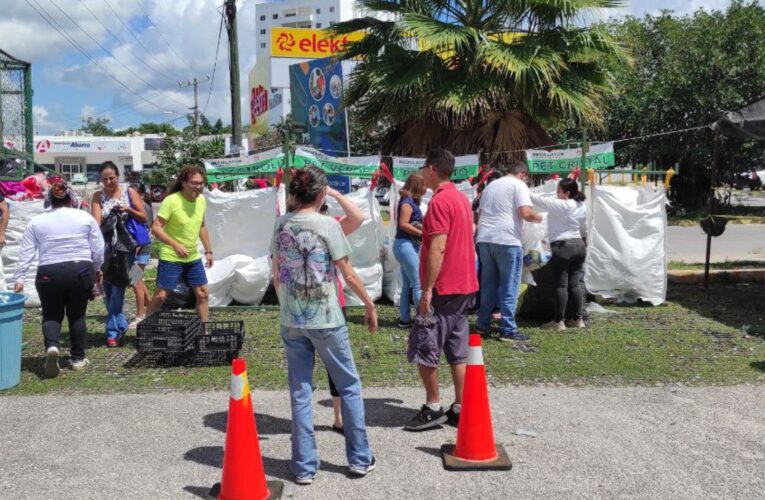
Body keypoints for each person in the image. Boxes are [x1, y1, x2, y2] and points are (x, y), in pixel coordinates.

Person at [271, 166, 377, 484]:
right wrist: (369, 304)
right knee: (349, 386)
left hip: (292, 319)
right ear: (320, 194)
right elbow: (349, 273)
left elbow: (277, 271)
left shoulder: (280, 225)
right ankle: (359, 459)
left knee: (300, 392)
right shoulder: (327, 225)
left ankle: (304, 467)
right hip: (326, 318)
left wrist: (286, 305)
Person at [404, 149, 478, 432]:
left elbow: (438, 246)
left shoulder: (439, 202)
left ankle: (433, 405)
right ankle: (460, 405)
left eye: (424, 168)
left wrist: (427, 289)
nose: (422, 173)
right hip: (465, 284)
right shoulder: (461, 199)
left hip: (445, 286)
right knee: (457, 351)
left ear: (432, 169)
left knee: (426, 344)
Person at [13, 183, 105, 377]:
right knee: (77, 315)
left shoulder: (36, 221)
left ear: (49, 200)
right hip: (80, 269)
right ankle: (78, 358)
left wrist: (19, 278)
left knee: (51, 314)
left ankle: (52, 348)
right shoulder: (84, 217)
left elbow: (27, 252)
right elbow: (98, 247)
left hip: (49, 271)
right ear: (71, 199)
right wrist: (97, 268)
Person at [475, 160, 542, 342]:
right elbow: (526, 213)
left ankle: (482, 325)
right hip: (507, 240)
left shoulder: (491, 186)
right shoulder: (518, 185)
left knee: (488, 285)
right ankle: (508, 329)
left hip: (485, 239)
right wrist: (541, 218)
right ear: (523, 175)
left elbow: (480, 212)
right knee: (509, 285)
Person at [318, 190, 364, 435]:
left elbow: (357, 217)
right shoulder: (292, 225)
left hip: (330, 305)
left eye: (325, 208)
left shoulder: (331, 226)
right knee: (321, 366)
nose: (323, 213)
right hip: (318, 308)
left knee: (335, 364)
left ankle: (339, 418)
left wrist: (334, 193)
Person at [145, 165, 213, 321]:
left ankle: (205, 332)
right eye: (194, 183)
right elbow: (155, 228)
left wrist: (209, 251)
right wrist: (174, 244)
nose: (198, 187)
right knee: (162, 295)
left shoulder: (201, 200)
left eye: (201, 183)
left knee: (203, 293)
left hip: (192, 255)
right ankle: (146, 325)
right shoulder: (172, 201)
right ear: (184, 183)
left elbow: (201, 225)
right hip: (171, 256)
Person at [91, 162, 147, 347]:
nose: (108, 182)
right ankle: (120, 324)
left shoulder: (129, 192)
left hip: (128, 247)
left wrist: (127, 210)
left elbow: (143, 216)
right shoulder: (98, 196)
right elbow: (96, 223)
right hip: (107, 248)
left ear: (118, 176)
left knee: (123, 285)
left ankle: (113, 332)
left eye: (112, 178)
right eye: (105, 179)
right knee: (107, 287)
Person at [530, 178, 588, 330]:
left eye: (558, 190)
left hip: (563, 247)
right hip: (579, 245)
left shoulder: (562, 204)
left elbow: (537, 199)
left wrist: (519, 187)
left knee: (561, 285)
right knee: (574, 284)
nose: (556, 193)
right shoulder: (581, 205)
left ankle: (558, 321)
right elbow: (583, 227)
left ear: (566, 192)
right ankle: (578, 319)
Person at [393, 172, 426, 328]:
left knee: (407, 285)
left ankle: (404, 319)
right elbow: (403, 224)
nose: (425, 188)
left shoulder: (410, 201)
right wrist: (421, 233)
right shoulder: (407, 202)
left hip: (404, 245)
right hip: (406, 245)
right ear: (418, 185)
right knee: (418, 284)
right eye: (423, 185)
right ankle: (423, 319)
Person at [128, 183, 154, 328]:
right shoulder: (146, 206)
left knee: (135, 280)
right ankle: (151, 307)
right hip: (141, 246)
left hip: (140, 247)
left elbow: (142, 230)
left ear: (142, 195)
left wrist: (137, 247)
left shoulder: (142, 207)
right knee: (138, 280)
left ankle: (140, 315)